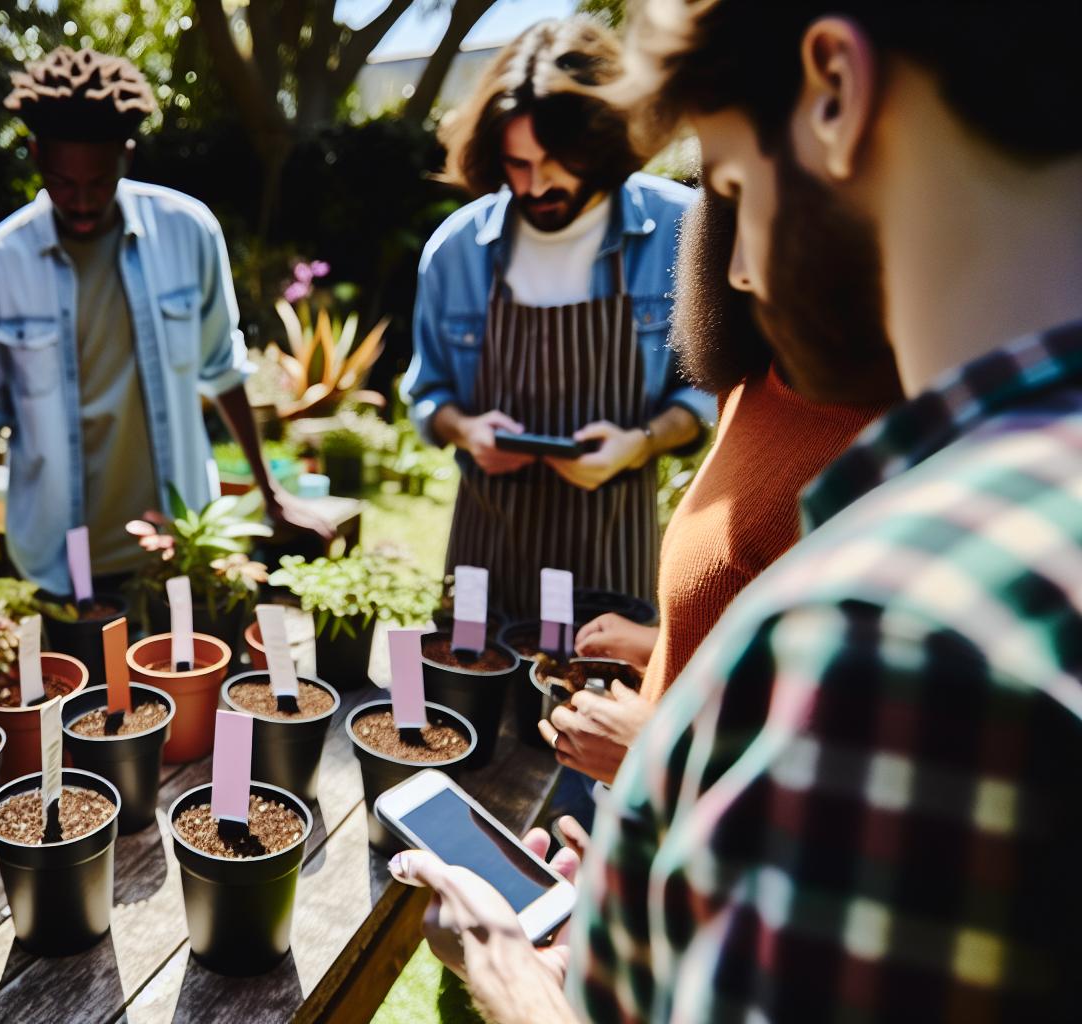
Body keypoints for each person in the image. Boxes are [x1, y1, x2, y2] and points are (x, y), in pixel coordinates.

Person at [403, 1, 1082, 1019]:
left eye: (728, 182)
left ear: (836, 93)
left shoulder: (894, 629)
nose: (730, 267)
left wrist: (508, 974)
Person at [549, 191, 898, 784]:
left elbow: (854, 770)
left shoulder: (893, 453)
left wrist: (657, 757)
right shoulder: (756, 385)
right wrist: (665, 644)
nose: (738, 268)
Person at [0, 47, 326, 597]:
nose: (82, 203)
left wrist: (271, 495)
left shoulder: (189, 232)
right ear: (35, 156)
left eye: (99, 182)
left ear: (126, 156)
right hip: (61, 558)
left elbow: (223, 370)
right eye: (63, 183)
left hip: (180, 544)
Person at [404, 17, 714, 620]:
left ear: (602, 143)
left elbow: (707, 391)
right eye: (517, 164)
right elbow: (428, 392)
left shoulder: (680, 231)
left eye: (556, 160)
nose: (537, 184)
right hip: (486, 552)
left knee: (596, 684)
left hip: (612, 554)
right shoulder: (456, 251)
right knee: (470, 680)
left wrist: (639, 443)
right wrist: (465, 430)